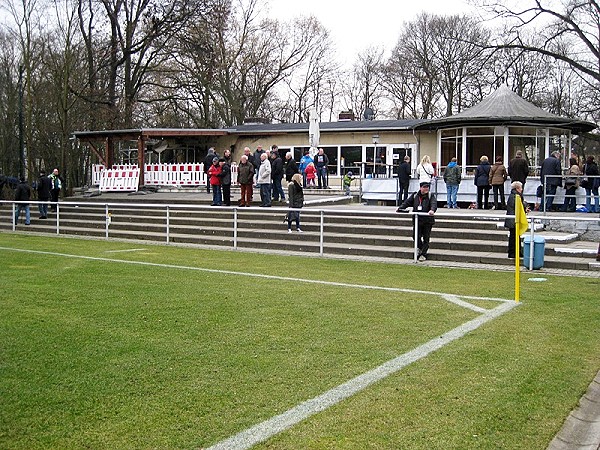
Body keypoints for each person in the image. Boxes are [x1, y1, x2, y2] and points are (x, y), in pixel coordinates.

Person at [396, 181, 437, 262]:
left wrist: (432, 210)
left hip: (427, 221)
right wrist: (400, 208)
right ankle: (421, 248)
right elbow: (407, 202)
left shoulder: (430, 195)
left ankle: (423, 254)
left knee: (426, 237)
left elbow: (434, 204)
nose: (426, 189)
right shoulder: (415, 195)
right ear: (420, 188)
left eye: (427, 187)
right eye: (425, 187)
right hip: (417, 220)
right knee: (415, 236)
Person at [504, 181, 530, 258]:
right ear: (517, 188)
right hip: (513, 220)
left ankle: (517, 252)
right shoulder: (515, 196)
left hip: (513, 219)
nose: (522, 189)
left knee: (515, 237)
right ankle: (513, 252)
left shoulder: (514, 195)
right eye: (521, 188)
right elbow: (517, 206)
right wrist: (524, 208)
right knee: (513, 237)